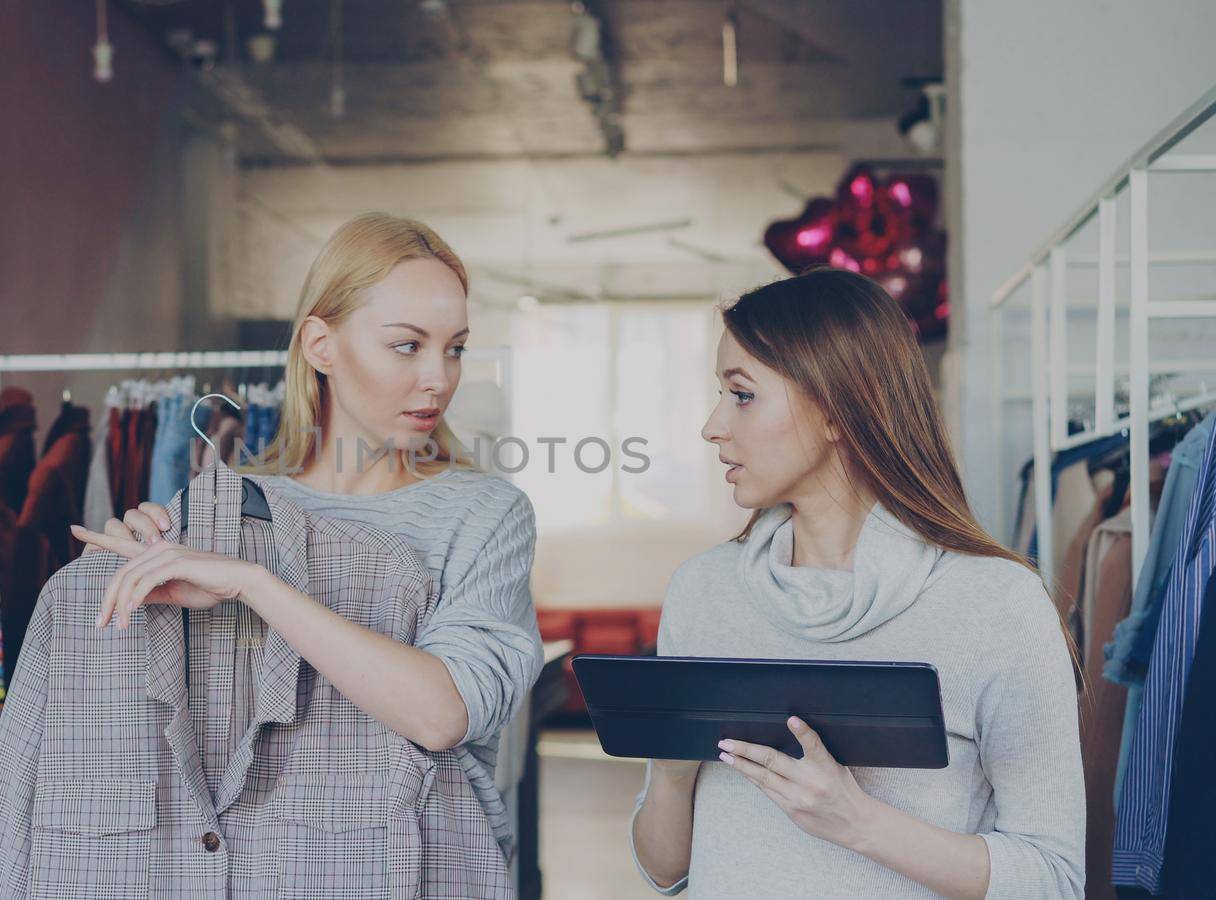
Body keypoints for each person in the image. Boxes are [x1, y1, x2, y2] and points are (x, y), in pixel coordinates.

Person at [70, 212, 543, 859]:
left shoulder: (486, 514)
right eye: (408, 345)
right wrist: (133, 569)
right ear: (321, 346)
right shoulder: (228, 508)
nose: (440, 377)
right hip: (250, 870)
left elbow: (444, 715)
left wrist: (256, 584)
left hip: (421, 868)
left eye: (455, 346)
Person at [630, 269, 1085, 898]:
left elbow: (1054, 879)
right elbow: (664, 869)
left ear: (836, 409)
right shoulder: (703, 592)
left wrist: (857, 821)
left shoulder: (996, 603)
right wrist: (672, 776)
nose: (713, 426)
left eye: (741, 395)